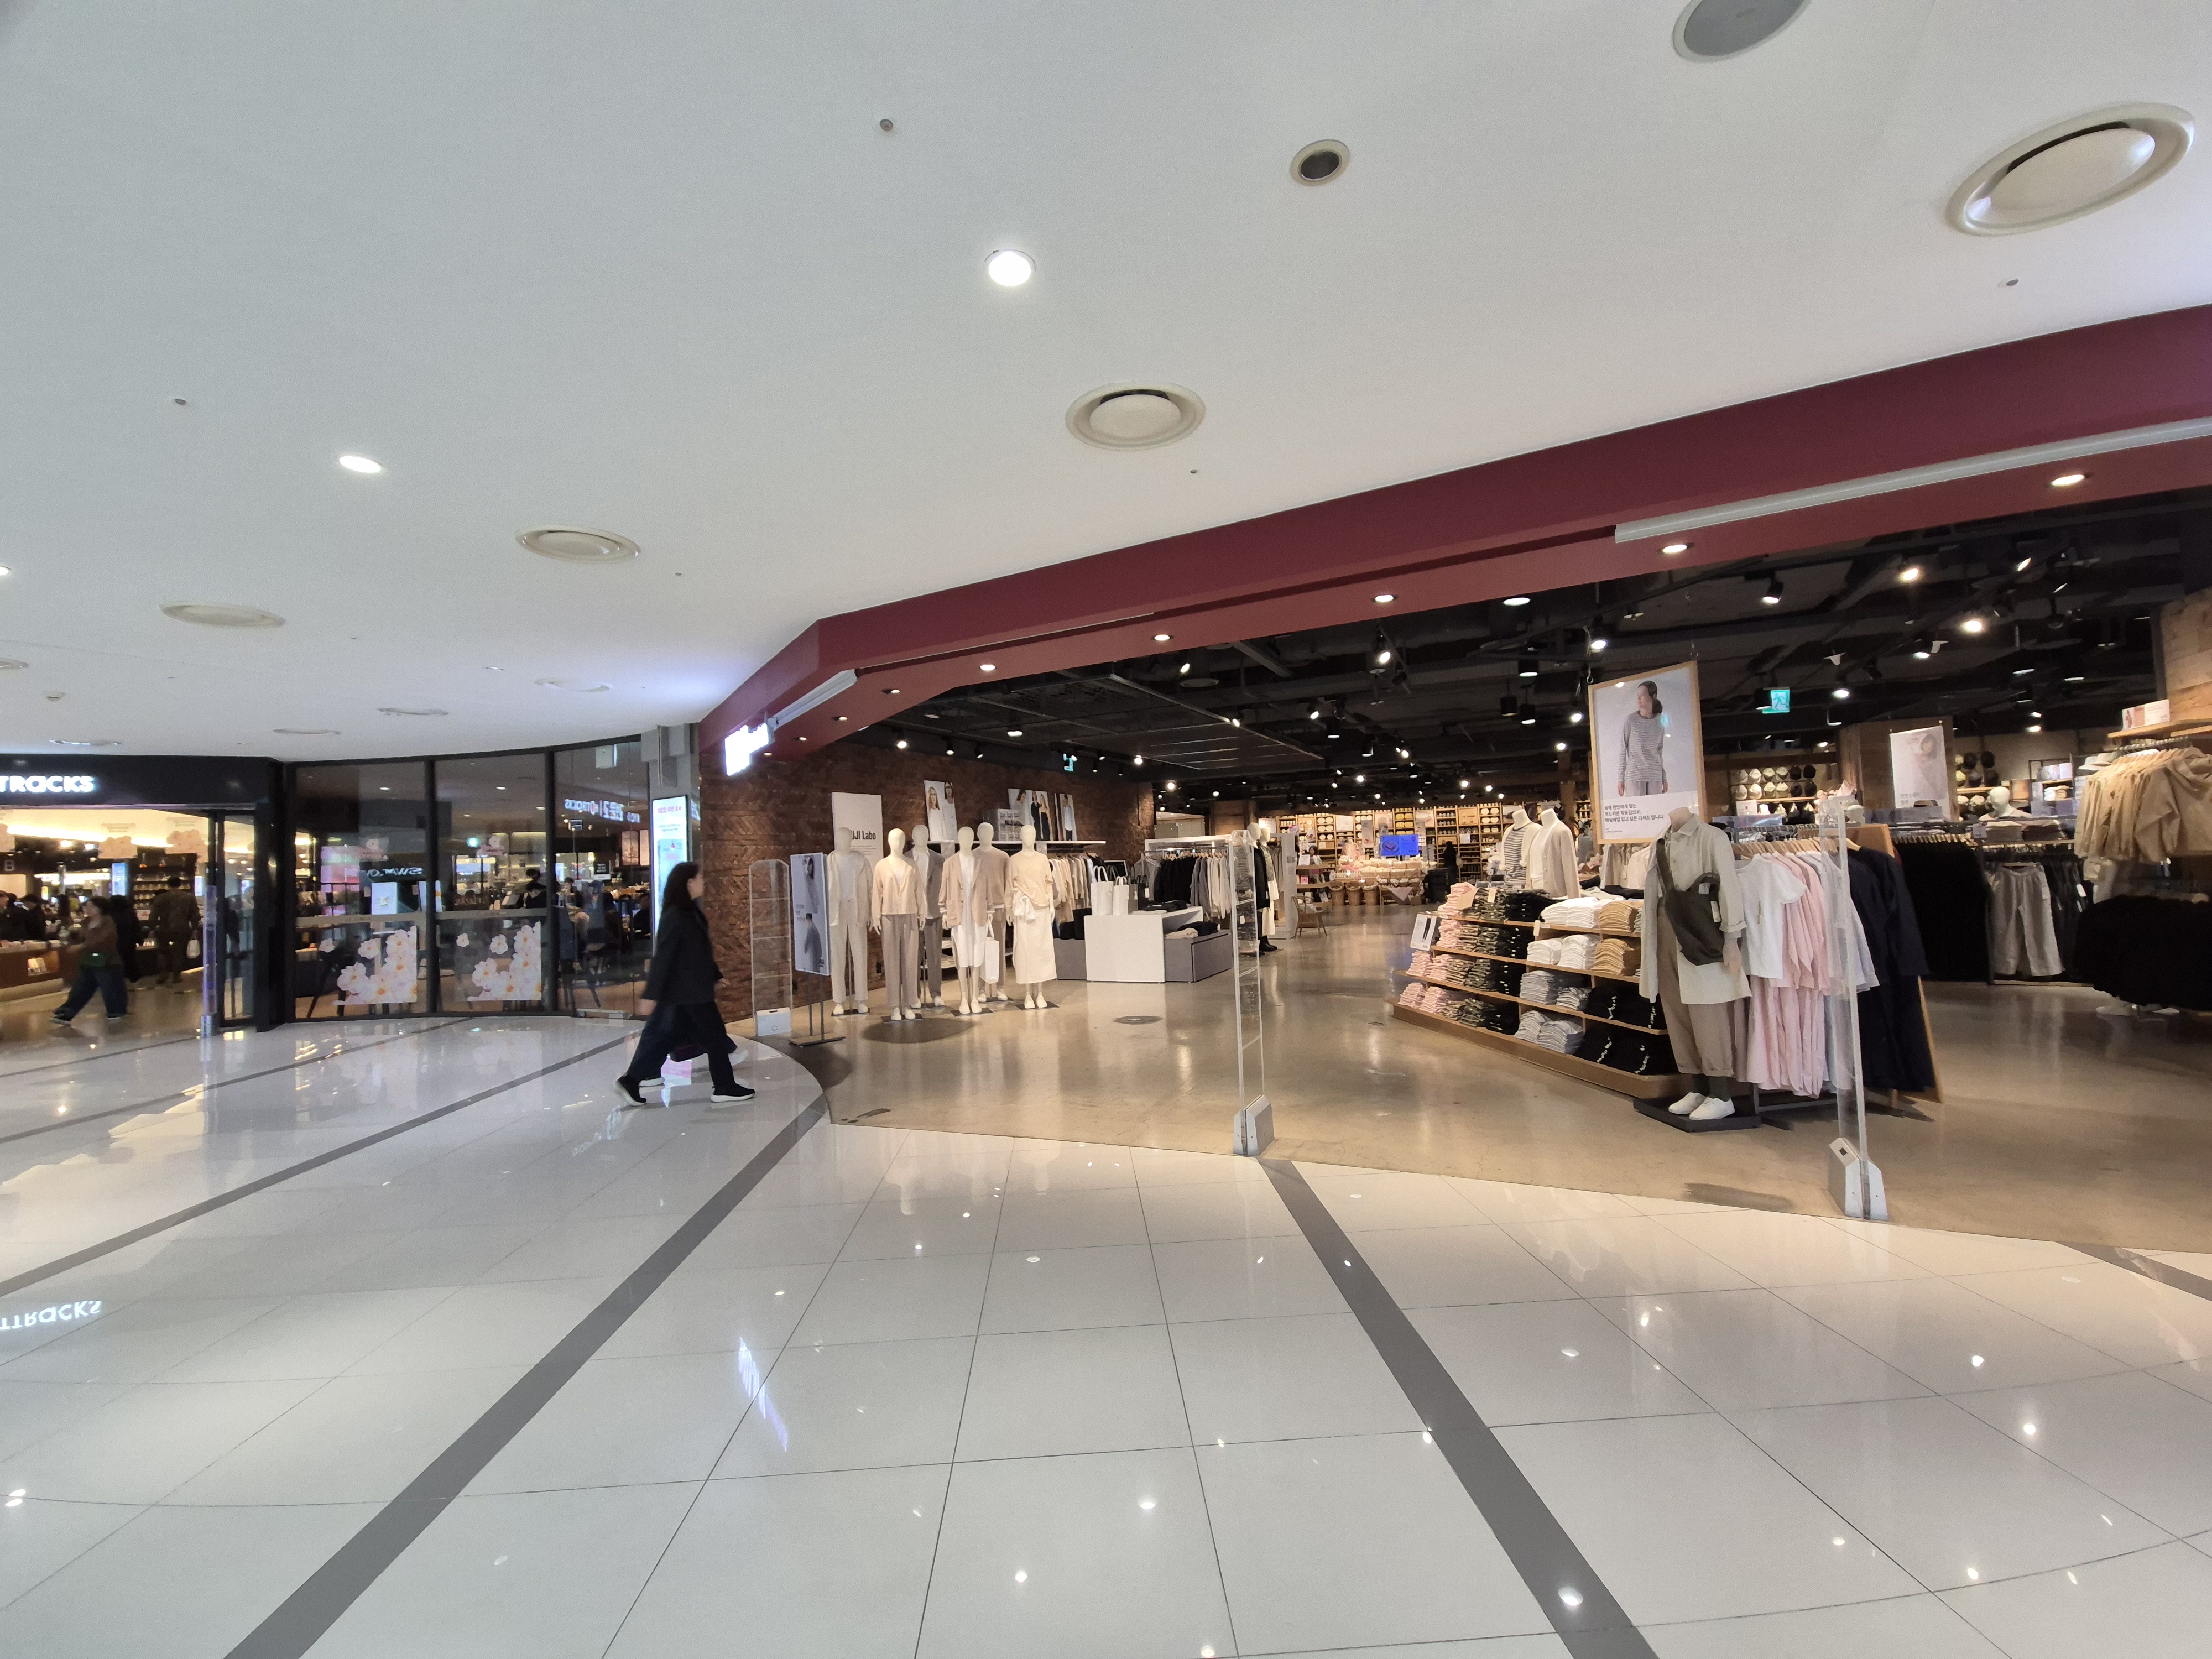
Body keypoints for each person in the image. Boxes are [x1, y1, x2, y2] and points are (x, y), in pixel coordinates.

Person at [614, 861, 752, 1107]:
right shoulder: (676, 915)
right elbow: (664, 957)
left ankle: (632, 1080)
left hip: (691, 990)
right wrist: (650, 994)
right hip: (688, 991)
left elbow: (698, 951)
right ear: (689, 882)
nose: (704, 882)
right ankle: (724, 1087)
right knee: (714, 1037)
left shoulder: (689, 911)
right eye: (700, 877)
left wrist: (715, 975)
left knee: (670, 1037)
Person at [53, 894, 128, 1025]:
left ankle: (115, 1012)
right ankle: (66, 1013)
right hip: (88, 960)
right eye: (86, 906)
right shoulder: (85, 923)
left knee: (110, 988)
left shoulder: (108, 923)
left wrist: (83, 946)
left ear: (99, 909)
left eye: (90, 907)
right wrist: (70, 939)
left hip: (107, 962)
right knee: (81, 988)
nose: (87, 909)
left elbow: (104, 940)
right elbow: (78, 937)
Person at [1615, 679, 1668, 796]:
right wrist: (1621, 779)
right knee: (1637, 807)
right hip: (1635, 775)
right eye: (1638, 696)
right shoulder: (1631, 720)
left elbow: (1659, 751)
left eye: (1643, 695)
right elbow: (1623, 749)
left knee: (1655, 807)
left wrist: (1664, 778)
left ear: (1653, 696)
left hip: (1655, 776)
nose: (1639, 699)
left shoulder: (1660, 722)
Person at [152, 876, 201, 985]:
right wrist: (194, 928)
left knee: (163, 952)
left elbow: (153, 915)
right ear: (180, 885)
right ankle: (176, 975)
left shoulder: (160, 898)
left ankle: (163, 973)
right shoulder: (189, 897)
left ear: (168, 885)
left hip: (164, 929)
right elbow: (195, 914)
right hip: (182, 929)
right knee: (179, 952)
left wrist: (153, 928)